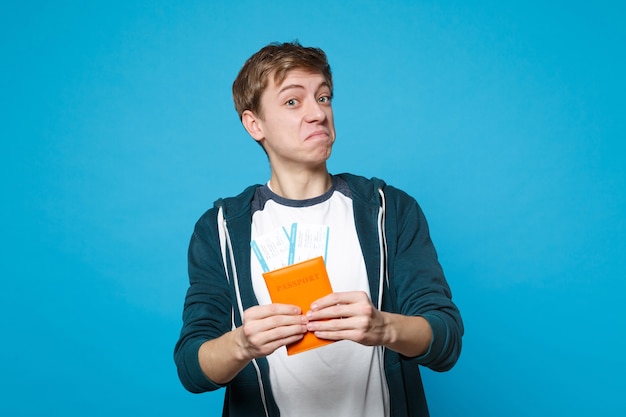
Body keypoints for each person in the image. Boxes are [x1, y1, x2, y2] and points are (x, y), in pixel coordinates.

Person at [174, 41, 463, 417]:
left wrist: (384, 327)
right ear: (254, 124)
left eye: (323, 97)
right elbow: (191, 369)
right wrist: (241, 344)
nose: (317, 113)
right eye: (293, 102)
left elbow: (446, 340)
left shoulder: (388, 209)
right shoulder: (221, 229)